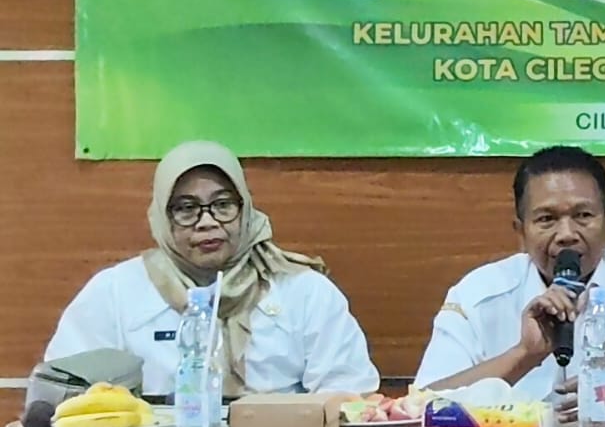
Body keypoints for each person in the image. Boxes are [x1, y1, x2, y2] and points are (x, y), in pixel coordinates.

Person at [43, 140, 380, 397]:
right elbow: (66, 395)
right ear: (161, 217)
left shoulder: (302, 290)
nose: (207, 222)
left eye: (222, 205)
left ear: (245, 208)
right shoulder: (115, 292)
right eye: (186, 208)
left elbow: (350, 394)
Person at [414, 145, 605, 421]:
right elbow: (420, 406)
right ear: (521, 232)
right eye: (546, 219)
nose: (566, 234)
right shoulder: (477, 293)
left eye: (583, 215)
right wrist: (525, 354)